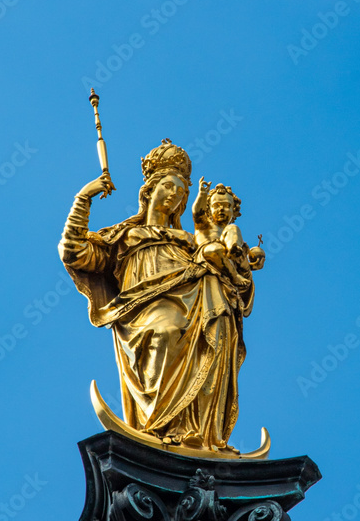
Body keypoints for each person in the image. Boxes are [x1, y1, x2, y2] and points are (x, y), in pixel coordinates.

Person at [59, 139, 258, 451]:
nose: (175, 194)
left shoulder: (188, 241)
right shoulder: (125, 236)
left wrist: (242, 261)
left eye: (182, 191)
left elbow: (231, 274)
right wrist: (84, 198)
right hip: (144, 308)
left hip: (199, 303)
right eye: (168, 185)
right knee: (163, 333)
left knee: (214, 344)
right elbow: (73, 252)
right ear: (149, 190)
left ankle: (199, 436)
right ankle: (156, 427)